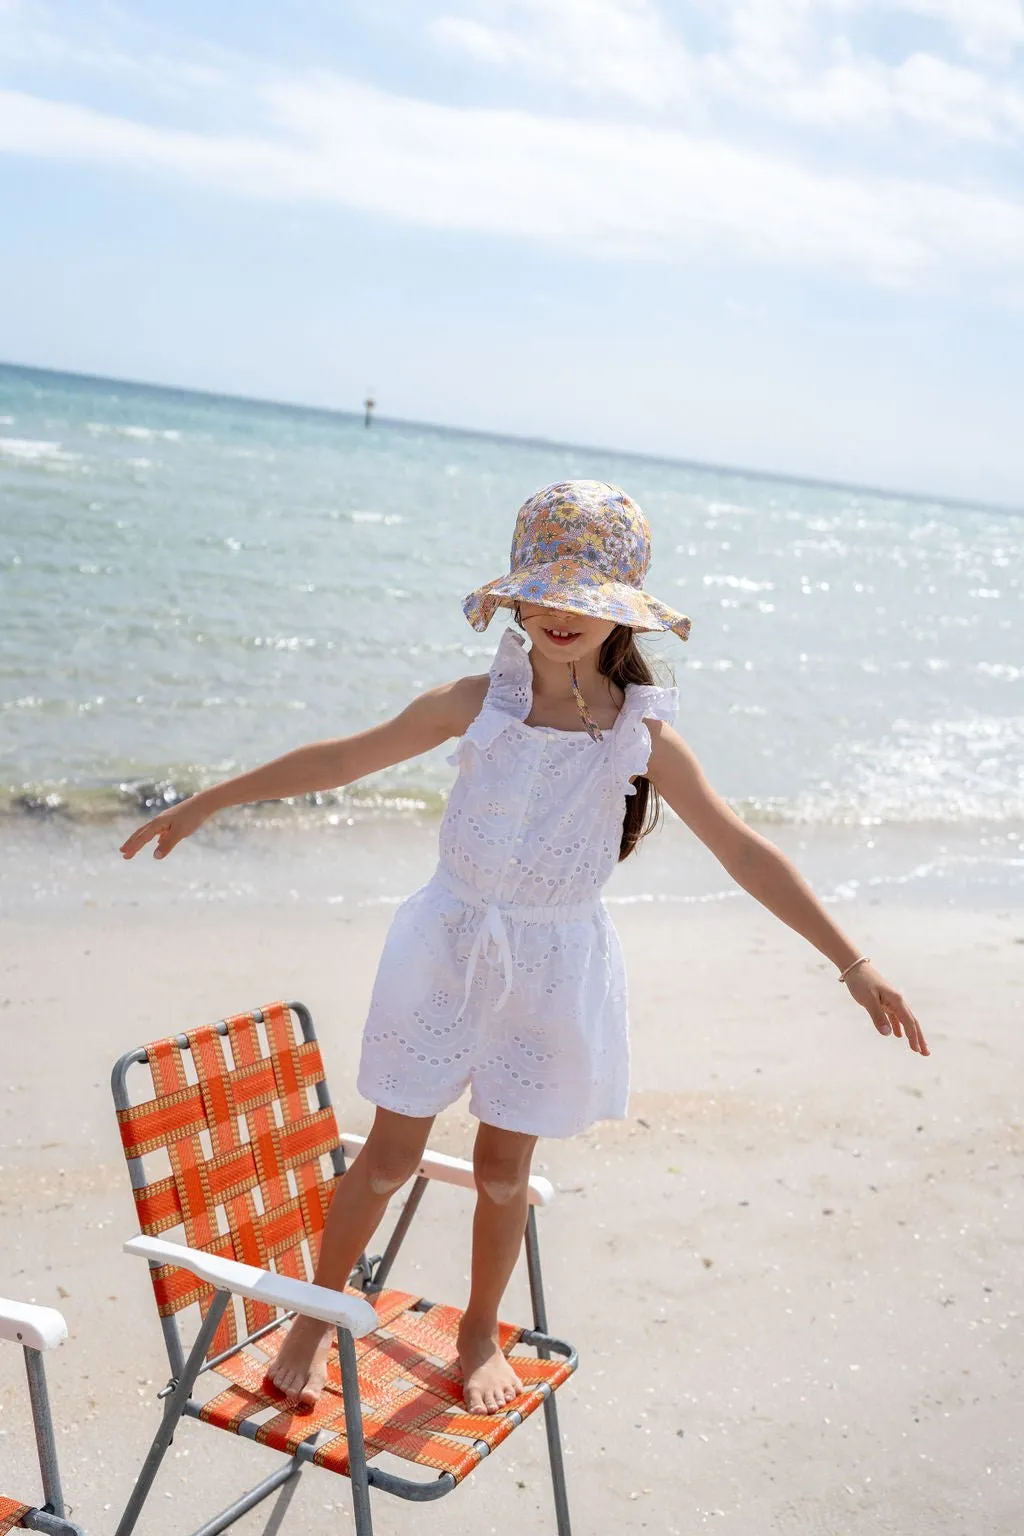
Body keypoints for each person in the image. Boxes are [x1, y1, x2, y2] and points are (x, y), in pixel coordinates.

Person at [119, 479, 929, 1417]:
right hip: (447, 947)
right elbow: (343, 758)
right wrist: (211, 799)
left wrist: (852, 961)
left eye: (585, 598)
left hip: (554, 968)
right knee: (385, 1157)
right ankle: (315, 1313)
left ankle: (476, 1334)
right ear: (516, 595)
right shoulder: (478, 702)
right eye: (544, 591)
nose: (559, 613)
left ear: (620, 614)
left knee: (505, 1171)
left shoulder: (643, 733)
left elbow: (742, 847)